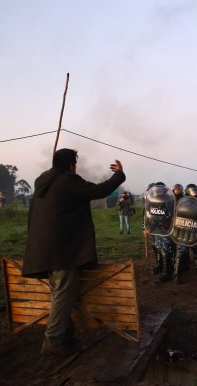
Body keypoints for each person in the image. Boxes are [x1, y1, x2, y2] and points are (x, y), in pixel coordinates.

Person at [23, 149, 125, 356]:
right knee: (63, 294)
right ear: (71, 165)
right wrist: (119, 175)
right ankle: (53, 341)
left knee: (59, 293)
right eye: (75, 164)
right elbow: (98, 191)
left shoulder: (43, 182)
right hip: (63, 250)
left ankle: (65, 334)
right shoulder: (68, 181)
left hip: (42, 249)